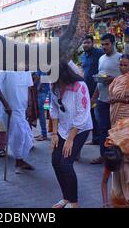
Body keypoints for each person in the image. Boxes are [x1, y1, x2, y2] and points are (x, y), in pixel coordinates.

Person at [50, 61, 92, 208]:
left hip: (80, 129)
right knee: (55, 161)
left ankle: (74, 202)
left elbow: (82, 114)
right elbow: (53, 108)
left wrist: (70, 139)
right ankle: (66, 197)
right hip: (62, 128)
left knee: (66, 164)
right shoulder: (53, 85)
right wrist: (54, 133)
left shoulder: (80, 86)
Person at [0, 71, 35, 174]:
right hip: (10, 109)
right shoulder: (5, 69)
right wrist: (6, 105)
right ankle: (18, 162)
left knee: (25, 136)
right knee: (19, 135)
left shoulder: (27, 70)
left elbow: (29, 88)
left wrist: (30, 105)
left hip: (22, 108)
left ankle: (21, 161)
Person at [90, 34, 121, 164]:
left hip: (117, 100)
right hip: (102, 99)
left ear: (113, 43)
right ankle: (104, 155)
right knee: (103, 128)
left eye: (107, 44)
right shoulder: (101, 58)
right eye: (102, 44)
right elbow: (99, 79)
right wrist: (94, 97)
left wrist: (112, 79)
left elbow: (128, 78)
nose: (104, 47)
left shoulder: (120, 58)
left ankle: (118, 155)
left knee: (117, 129)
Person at [80, 35, 104, 145]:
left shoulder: (99, 53)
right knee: (91, 115)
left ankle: (101, 138)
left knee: (98, 114)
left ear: (92, 43)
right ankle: (95, 138)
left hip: (98, 89)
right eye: (84, 43)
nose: (86, 44)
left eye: (88, 42)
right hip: (86, 90)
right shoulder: (83, 56)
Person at [108, 54, 129, 127]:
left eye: (125, 65)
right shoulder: (118, 79)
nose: (122, 67)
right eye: (121, 65)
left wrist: (117, 99)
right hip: (118, 114)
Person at [34, 70, 51, 141]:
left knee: (42, 114)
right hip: (45, 92)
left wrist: (38, 87)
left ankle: (44, 134)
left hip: (43, 93)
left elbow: (43, 77)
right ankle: (43, 133)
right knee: (43, 114)